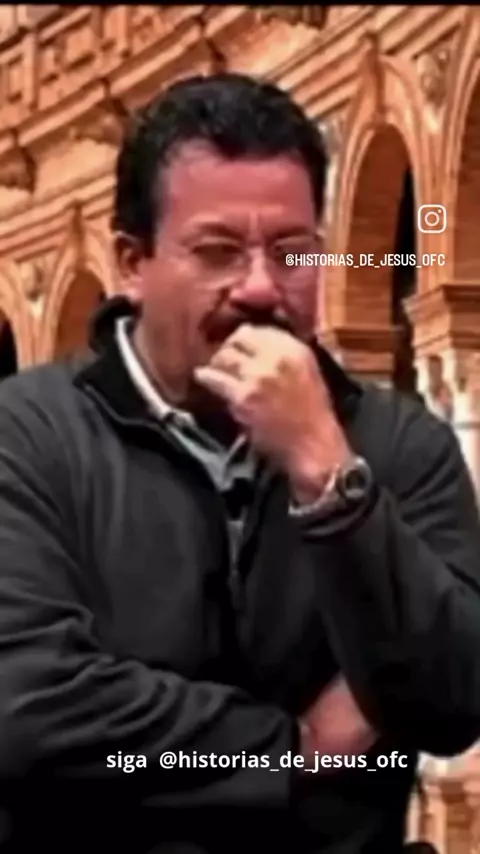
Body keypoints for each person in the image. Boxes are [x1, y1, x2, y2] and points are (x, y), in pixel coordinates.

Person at [0, 73, 478, 854]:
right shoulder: (24, 434)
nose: (260, 288)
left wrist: (331, 479)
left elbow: (454, 700)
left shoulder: (400, 445)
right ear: (132, 262)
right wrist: (294, 752)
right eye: (217, 252)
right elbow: (23, 711)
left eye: (293, 253)